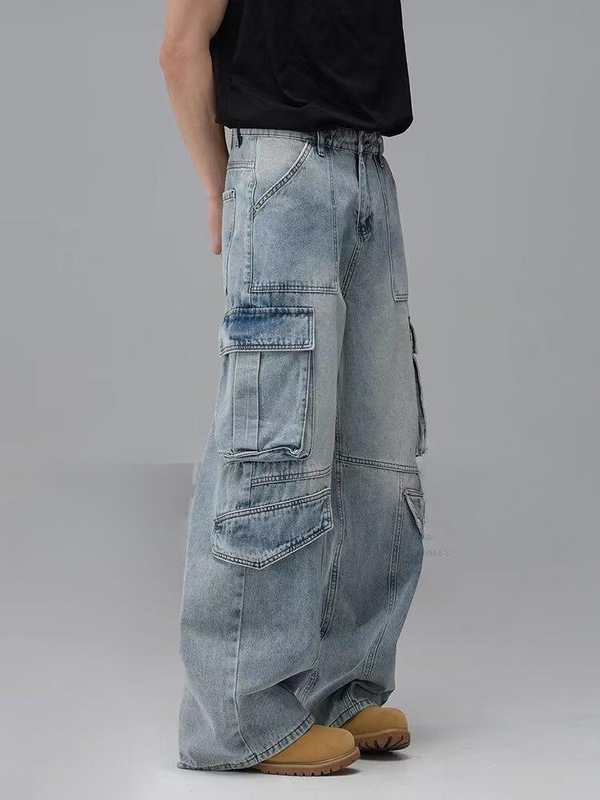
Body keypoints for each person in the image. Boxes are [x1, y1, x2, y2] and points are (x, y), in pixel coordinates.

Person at [159, 0, 427, 777]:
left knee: (379, 453)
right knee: (273, 449)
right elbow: (181, 48)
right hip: (285, 170)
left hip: (370, 169)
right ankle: (238, 718)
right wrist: (224, 189)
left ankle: (343, 685)